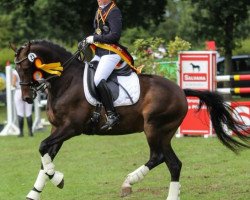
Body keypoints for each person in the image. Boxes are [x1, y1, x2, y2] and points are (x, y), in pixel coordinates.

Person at [82, 0, 125, 130]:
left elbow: (114, 36)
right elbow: (99, 31)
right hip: (99, 53)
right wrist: (87, 41)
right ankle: (96, 111)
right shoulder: (99, 10)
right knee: (85, 73)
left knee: (98, 79)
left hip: (111, 53)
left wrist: (95, 39)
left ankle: (112, 114)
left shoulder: (114, 11)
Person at [12, 69, 33, 137]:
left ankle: (21, 133)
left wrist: (18, 86)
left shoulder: (15, 72)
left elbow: (13, 83)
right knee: (28, 112)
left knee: (20, 113)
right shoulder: (28, 71)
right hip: (28, 91)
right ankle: (30, 132)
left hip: (18, 91)